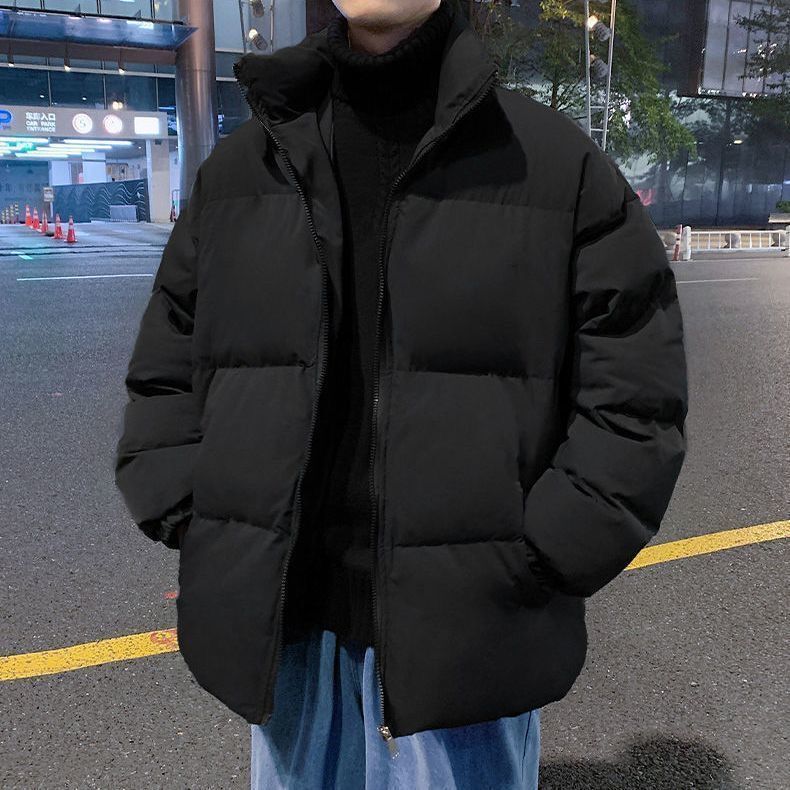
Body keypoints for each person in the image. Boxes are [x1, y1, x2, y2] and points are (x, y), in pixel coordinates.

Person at [113, 1, 689, 787]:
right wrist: (199, 518)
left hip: (471, 634)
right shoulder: (242, 172)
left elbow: (636, 395)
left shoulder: (558, 168)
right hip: (289, 626)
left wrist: (539, 556)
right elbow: (166, 368)